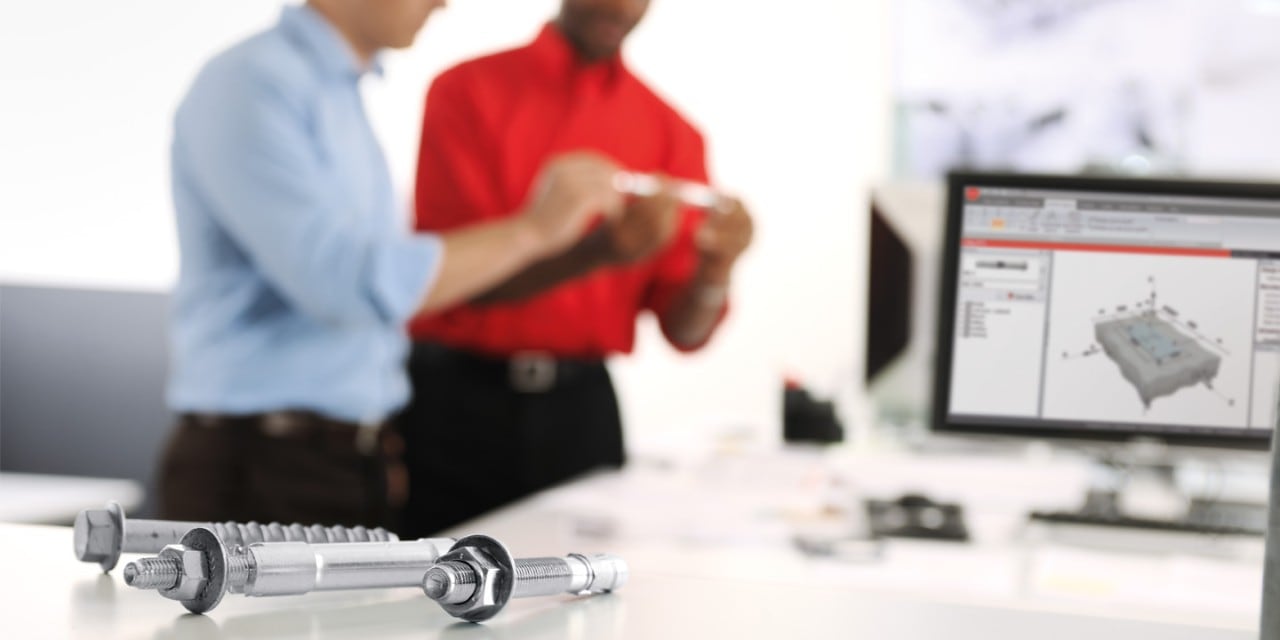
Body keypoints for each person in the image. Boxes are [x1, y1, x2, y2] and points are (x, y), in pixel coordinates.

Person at [156, 0, 629, 527]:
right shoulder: (252, 83)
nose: (443, 3)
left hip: (347, 460)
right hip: (262, 470)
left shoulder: (332, 91)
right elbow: (342, 283)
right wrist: (534, 231)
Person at [400, 0, 755, 537]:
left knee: (587, 613)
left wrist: (715, 271)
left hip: (582, 417)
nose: (619, 5)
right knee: (433, 602)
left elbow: (684, 333)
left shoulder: (672, 132)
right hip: (455, 409)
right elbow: (445, 283)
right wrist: (594, 253)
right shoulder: (465, 92)